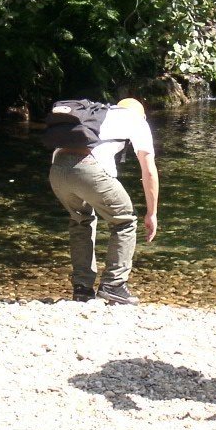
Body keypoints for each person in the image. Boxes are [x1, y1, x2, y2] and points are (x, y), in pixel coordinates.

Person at [49, 98, 159, 305]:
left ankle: (82, 289)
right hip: (88, 168)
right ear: (142, 115)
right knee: (125, 221)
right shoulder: (136, 120)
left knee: (80, 221)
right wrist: (151, 213)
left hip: (57, 170)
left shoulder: (97, 114)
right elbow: (149, 171)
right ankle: (113, 285)